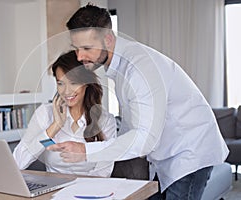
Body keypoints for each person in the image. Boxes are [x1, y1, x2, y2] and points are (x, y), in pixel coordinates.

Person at [47, 4, 229, 199]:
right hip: (166, 155)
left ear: (108, 39)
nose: (80, 56)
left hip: (189, 150)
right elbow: (133, 125)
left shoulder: (139, 70)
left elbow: (142, 141)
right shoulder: (120, 67)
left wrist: (86, 151)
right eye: (76, 49)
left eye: (87, 48)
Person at [13, 50, 117, 177]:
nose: (67, 91)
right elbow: (18, 162)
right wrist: (55, 127)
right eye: (60, 83)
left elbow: (103, 171)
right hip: (53, 191)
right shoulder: (45, 113)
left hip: (89, 192)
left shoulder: (105, 120)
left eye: (73, 83)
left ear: (86, 83)